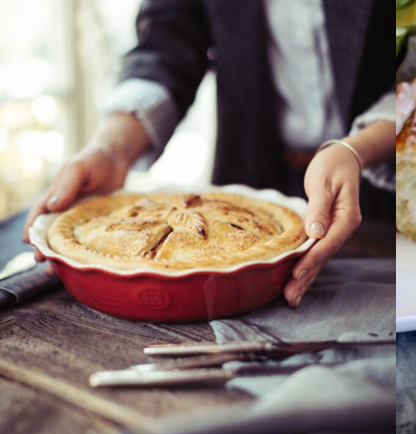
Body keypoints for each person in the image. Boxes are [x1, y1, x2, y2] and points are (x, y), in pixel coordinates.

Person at [22, 0, 394, 308]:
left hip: (377, 189)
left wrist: (356, 149)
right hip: (249, 170)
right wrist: (111, 148)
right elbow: (168, 40)